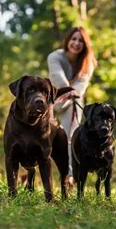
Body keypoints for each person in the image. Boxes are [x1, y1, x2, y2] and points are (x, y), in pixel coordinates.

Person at [47, 26, 97, 187]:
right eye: (74, 39)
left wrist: (73, 94)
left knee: (71, 138)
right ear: (68, 40)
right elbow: (57, 77)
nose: (76, 43)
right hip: (53, 100)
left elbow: (81, 87)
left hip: (73, 103)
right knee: (44, 136)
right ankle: (31, 170)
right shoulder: (54, 57)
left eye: (80, 41)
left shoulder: (88, 63)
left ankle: (69, 176)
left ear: (85, 44)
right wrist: (69, 90)